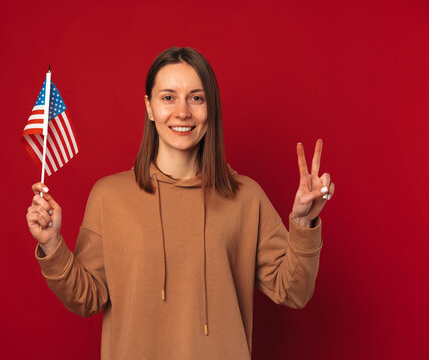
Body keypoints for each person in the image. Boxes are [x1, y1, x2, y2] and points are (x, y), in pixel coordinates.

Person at [26, 46, 335, 359]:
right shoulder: (109, 197)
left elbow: (293, 292)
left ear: (210, 107)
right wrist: (52, 245)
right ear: (149, 107)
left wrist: (302, 223)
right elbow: (86, 299)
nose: (183, 112)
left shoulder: (246, 197)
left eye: (196, 98)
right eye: (168, 97)